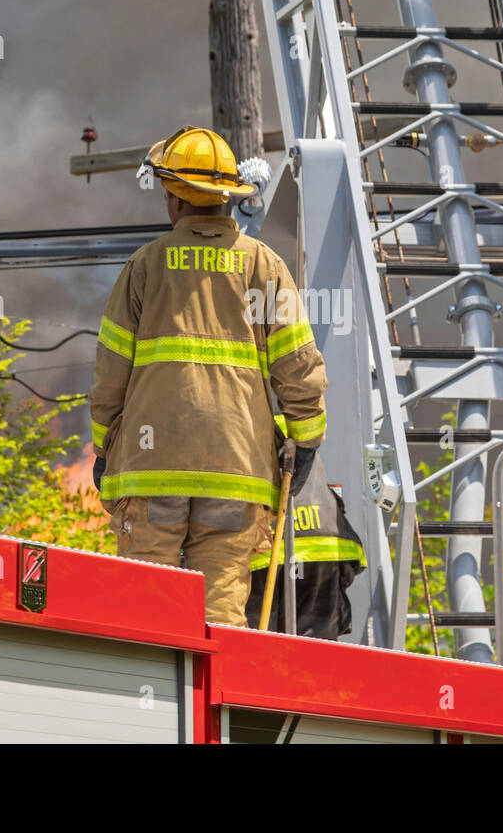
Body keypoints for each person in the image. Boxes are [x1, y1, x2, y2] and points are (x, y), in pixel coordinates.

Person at [87, 125, 327, 627]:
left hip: (150, 469)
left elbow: (110, 374)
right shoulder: (264, 266)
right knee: (220, 615)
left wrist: (105, 448)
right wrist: (305, 443)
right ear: (229, 201)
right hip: (237, 472)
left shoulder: (144, 267)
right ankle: (216, 706)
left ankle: (151, 702)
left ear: (175, 201)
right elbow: (299, 368)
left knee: (148, 612)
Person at [245, 420, 366, 639]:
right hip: (325, 547)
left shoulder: (250, 419)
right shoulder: (298, 421)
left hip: (264, 554)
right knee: (315, 654)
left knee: (258, 650)